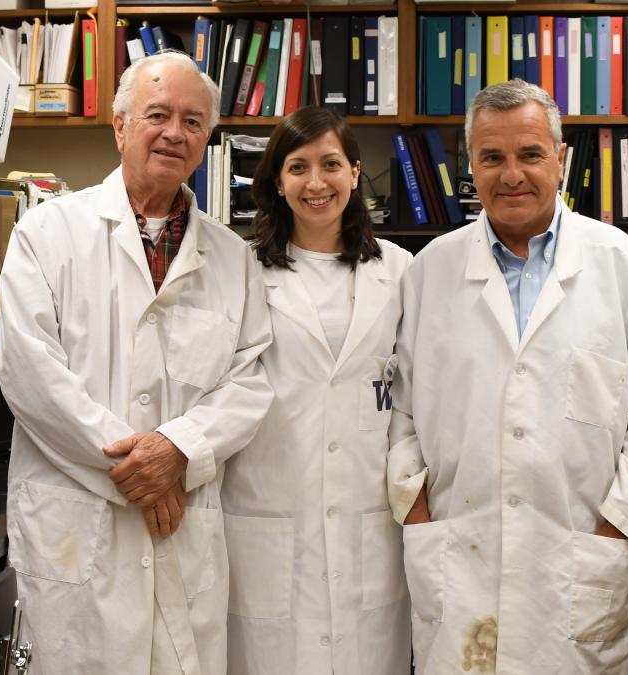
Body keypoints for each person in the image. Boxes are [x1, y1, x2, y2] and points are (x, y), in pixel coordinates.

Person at [387, 79, 628, 674]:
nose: (512, 175)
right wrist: (417, 510)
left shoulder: (623, 267)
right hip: (460, 567)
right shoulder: (430, 272)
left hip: (583, 570)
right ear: (469, 167)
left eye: (530, 155)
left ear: (561, 160)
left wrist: (615, 532)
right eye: (492, 157)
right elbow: (399, 415)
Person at [0, 51, 274, 674]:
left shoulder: (234, 258)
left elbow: (250, 381)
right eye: (158, 114)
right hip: (80, 529)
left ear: (207, 139)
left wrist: (177, 450)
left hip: (183, 534)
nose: (175, 131)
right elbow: (31, 377)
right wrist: (139, 473)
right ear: (120, 126)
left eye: (194, 121)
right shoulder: (46, 234)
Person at [222, 106, 413, 674]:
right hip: (268, 513)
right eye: (298, 167)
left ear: (355, 173)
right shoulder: (241, 270)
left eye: (331, 164)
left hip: (368, 518)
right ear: (277, 182)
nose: (316, 182)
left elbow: (415, 394)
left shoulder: (402, 271)